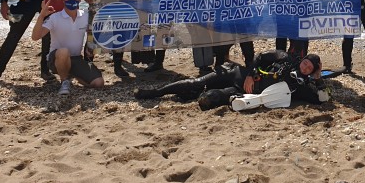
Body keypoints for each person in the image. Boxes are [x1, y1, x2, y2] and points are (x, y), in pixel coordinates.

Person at [133, 50, 328, 110]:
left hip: (242, 94)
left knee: (207, 100)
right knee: (196, 82)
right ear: (302, 60)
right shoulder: (284, 58)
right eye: (305, 63)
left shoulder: (301, 85)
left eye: (309, 68)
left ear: (311, 72)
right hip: (238, 75)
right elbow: (260, 58)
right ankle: (154, 93)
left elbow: (321, 99)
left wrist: (318, 78)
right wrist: (251, 74)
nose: (305, 67)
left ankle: (193, 95)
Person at [31, 0, 103, 95]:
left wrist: (92, 3)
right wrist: (41, 15)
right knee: (64, 51)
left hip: (76, 58)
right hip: (56, 59)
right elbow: (35, 37)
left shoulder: (85, 16)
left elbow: (97, 28)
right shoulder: (55, 17)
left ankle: (75, 75)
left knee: (99, 83)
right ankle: (64, 81)